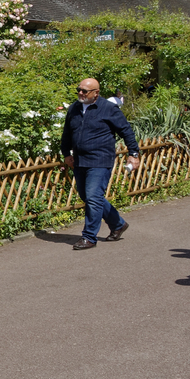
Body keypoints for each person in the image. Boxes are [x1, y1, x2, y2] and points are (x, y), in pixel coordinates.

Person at [61, 78, 141, 250]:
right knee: (88, 196)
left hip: (100, 159)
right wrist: (66, 153)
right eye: (79, 90)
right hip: (80, 160)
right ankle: (118, 224)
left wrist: (133, 154)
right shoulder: (74, 108)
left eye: (84, 91)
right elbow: (67, 132)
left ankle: (89, 237)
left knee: (93, 197)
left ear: (96, 93)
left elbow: (126, 131)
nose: (80, 93)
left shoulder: (108, 108)